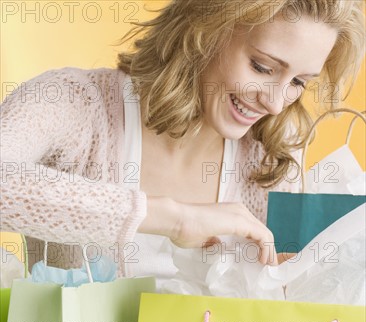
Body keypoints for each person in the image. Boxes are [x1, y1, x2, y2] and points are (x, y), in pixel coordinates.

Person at [1, 0, 364, 285]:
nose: (274, 101)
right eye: (263, 67)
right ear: (205, 28)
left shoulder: (273, 153)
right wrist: (175, 219)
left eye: (298, 82)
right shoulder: (74, 103)